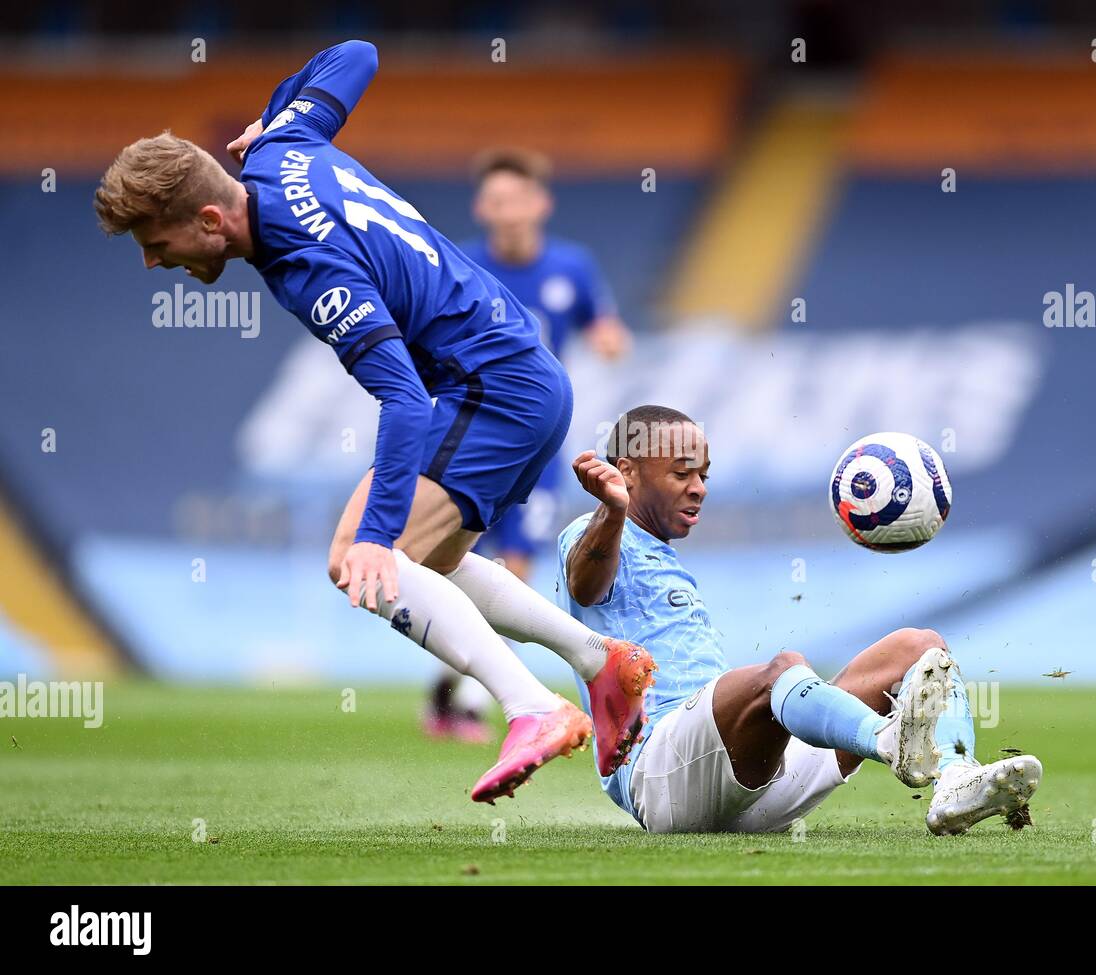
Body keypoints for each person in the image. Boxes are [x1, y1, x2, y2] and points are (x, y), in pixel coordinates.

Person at [92, 40, 655, 802]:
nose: (154, 265)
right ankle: (599, 661)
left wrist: (374, 535)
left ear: (210, 218)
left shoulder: (307, 263)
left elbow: (402, 398)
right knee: (441, 563)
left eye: (158, 245)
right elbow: (356, 53)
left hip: (488, 387)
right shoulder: (282, 147)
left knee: (357, 557)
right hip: (519, 373)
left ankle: (533, 709)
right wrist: (275, 114)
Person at [557, 405, 1043, 833]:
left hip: (747, 785)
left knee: (920, 646)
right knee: (781, 671)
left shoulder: (663, 557)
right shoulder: (593, 533)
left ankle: (956, 777)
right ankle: (889, 740)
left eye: (704, 475)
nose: (699, 489)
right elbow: (585, 585)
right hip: (661, 777)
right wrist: (612, 511)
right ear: (628, 471)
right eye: (683, 474)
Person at [424, 148, 632, 743]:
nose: (508, 210)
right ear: (481, 207)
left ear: (541, 203)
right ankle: (459, 689)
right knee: (445, 560)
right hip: (466, 428)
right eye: (496, 199)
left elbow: (603, 327)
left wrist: (611, 340)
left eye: (518, 198)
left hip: (532, 434)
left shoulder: (572, 266)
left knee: (514, 561)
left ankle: (461, 697)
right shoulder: (461, 263)